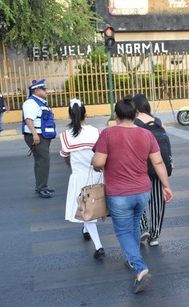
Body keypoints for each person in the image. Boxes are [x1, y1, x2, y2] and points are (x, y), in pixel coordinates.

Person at [92, 95, 173, 294]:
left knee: (123, 231)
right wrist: (166, 186)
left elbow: (98, 163)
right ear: (136, 114)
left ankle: (139, 267)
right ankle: (133, 258)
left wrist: (97, 163)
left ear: (116, 114)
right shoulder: (147, 135)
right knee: (135, 225)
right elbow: (158, 162)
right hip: (142, 192)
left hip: (119, 194)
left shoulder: (107, 134)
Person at [59, 98, 105, 260]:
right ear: (85, 113)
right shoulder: (96, 132)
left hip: (79, 177)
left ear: (70, 115)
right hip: (96, 175)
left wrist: (73, 167)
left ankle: (99, 246)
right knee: (93, 208)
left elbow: (65, 156)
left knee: (85, 211)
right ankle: (86, 231)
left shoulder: (66, 135)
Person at [133, 94, 169, 247]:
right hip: (158, 167)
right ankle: (154, 235)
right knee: (157, 201)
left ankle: (143, 228)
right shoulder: (158, 122)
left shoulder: (135, 123)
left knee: (137, 199)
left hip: (140, 168)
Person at [22, 79, 57, 198]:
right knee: (43, 161)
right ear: (36, 91)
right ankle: (42, 187)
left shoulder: (39, 102)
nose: (46, 91)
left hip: (43, 136)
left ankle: (42, 186)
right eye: (43, 89)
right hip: (37, 136)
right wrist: (34, 134)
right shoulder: (31, 103)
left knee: (41, 161)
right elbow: (28, 119)